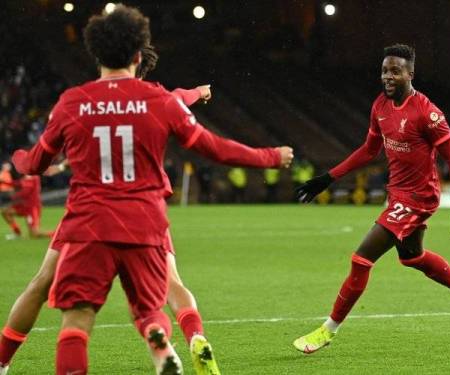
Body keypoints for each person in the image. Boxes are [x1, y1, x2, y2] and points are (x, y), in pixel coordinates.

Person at [5, 5, 293, 375]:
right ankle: (162, 344)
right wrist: (270, 156)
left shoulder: (72, 103)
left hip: (89, 225)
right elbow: (213, 147)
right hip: (144, 224)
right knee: (152, 309)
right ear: (139, 54)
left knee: (76, 320)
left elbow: (38, 164)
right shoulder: (159, 101)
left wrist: (21, 159)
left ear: (94, 54)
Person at [292, 43, 450, 354]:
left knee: (361, 259)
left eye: (396, 71)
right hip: (397, 194)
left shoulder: (428, 113)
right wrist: (328, 178)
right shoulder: (380, 107)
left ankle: (327, 331)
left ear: (410, 73)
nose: (388, 76)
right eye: (385, 70)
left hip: (419, 197)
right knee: (412, 257)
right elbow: (369, 151)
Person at [1, 174, 53, 239]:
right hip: (23, 205)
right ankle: (17, 232)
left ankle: (55, 234)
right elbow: (18, 183)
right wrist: (3, 181)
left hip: (32, 207)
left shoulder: (32, 176)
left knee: (34, 234)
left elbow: (26, 192)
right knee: (5, 212)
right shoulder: (26, 175)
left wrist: (12, 196)